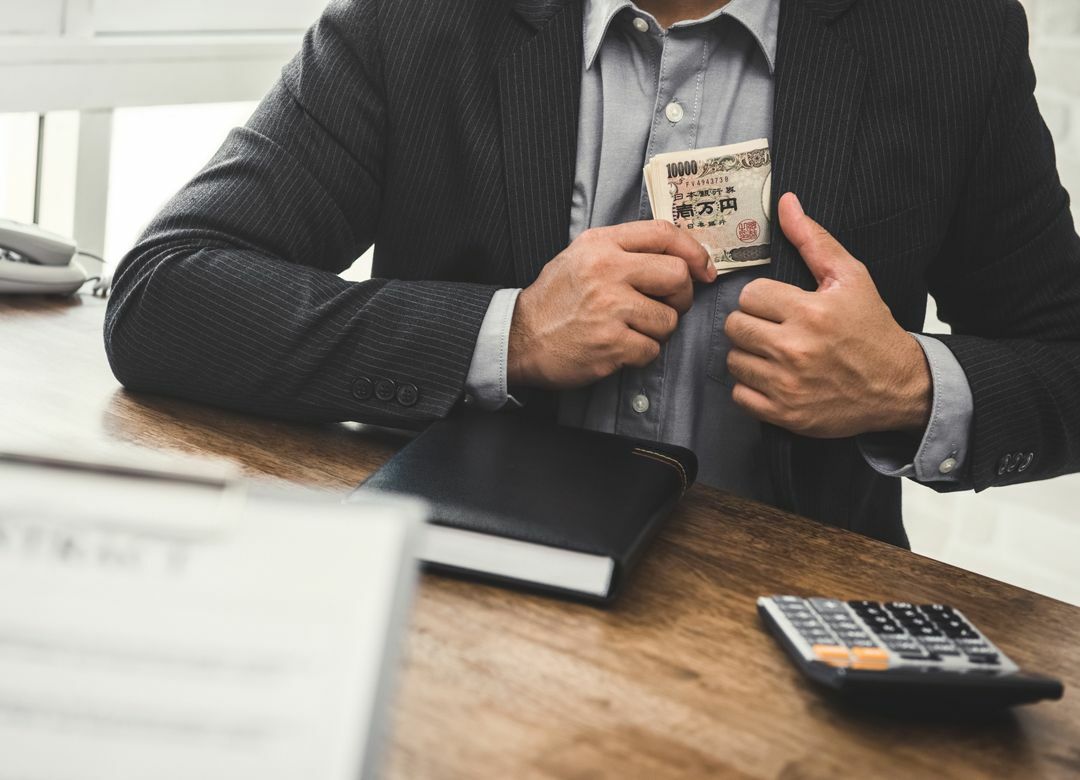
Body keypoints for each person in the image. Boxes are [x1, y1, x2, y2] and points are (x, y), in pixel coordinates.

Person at [104, 0, 1080, 547]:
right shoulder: (410, 23)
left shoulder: (952, 33)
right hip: (456, 600)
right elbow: (166, 292)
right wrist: (508, 334)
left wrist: (909, 386)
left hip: (798, 645)